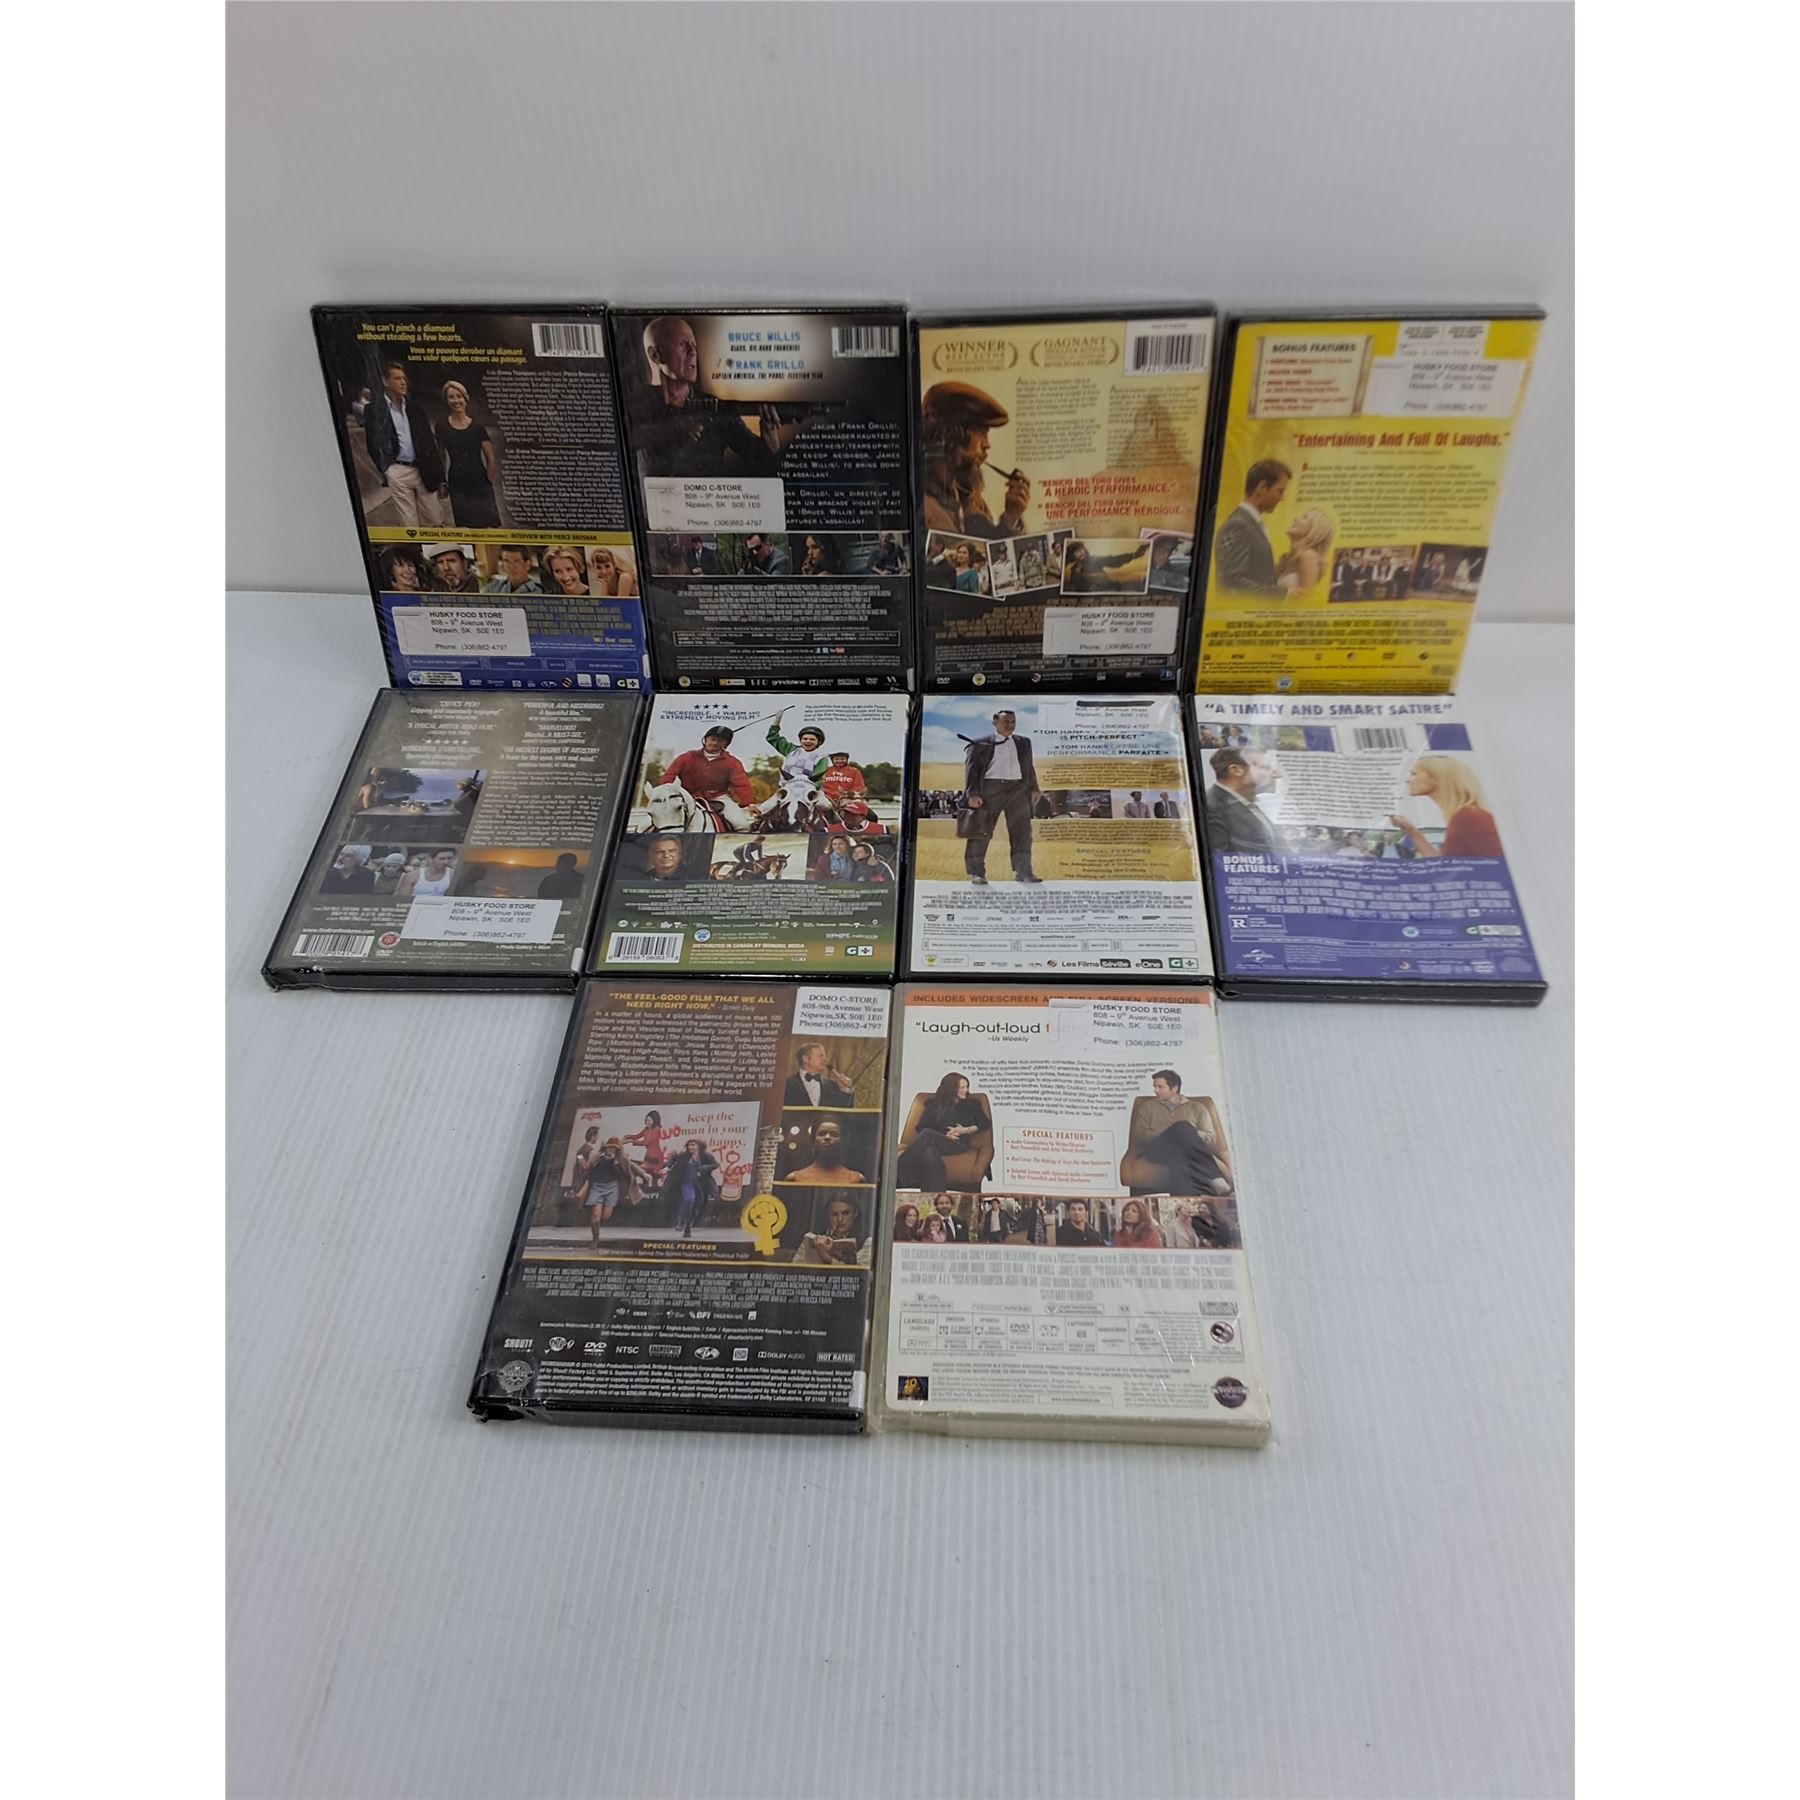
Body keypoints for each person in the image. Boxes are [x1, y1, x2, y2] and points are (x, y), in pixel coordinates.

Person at [634, 315, 781, 478]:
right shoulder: (635, 406)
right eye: (682, 345)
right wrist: (674, 430)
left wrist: (770, 441)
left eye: (694, 346)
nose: (692, 352)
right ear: (655, 355)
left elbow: (760, 459)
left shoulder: (713, 407)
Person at [920, 383, 1029, 537]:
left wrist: (1011, 518)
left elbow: (989, 548)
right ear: (953, 435)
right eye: (981, 433)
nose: (987, 444)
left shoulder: (972, 501)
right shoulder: (923, 506)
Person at [961, 709, 1041, 885]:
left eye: (1013, 722)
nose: (1010, 725)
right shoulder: (979, 743)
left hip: (1018, 789)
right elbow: (972, 770)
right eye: (1006, 721)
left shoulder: (1024, 742)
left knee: (1022, 832)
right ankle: (977, 873)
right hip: (991, 789)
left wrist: (1034, 788)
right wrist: (972, 794)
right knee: (981, 830)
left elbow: (1029, 767)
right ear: (995, 721)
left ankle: (1023, 872)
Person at [363, 361, 446, 526]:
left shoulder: (416, 409)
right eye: (397, 378)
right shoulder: (374, 410)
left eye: (404, 379)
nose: (403, 383)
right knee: (409, 525)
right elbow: (372, 443)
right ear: (386, 382)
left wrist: (440, 478)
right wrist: (387, 470)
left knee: (435, 521)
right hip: (397, 471)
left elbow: (430, 443)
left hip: (423, 469)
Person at [1128, 1071, 1233, 1196]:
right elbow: (1140, 1135)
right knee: (1182, 1127)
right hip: (1157, 1149)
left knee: (1182, 1144)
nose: (1155, 1090)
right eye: (1154, 1086)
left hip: (1186, 1151)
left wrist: (1188, 1135)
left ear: (1174, 1088)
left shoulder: (1197, 1108)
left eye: (1160, 1087)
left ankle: (1185, 1200)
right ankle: (1215, 1179)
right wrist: (1172, 1131)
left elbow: (1211, 1138)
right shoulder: (1147, 1107)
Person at [1390, 754, 1502, 857]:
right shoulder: (1463, 815)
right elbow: (1444, 863)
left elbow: (1494, 863)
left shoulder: (1469, 816)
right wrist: (1412, 832)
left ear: (1436, 778)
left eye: (1414, 774)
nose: (1408, 780)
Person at [1213, 458, 1291, 595]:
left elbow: (1251, 575)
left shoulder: (1250, 523)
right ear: (1262, 488)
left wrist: (1276, 571)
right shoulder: (1238, 525)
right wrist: (1283, 595)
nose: (1282, 498)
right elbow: (1231, 582)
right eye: (1279, 491)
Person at [896, 1074, 986, 1189]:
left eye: (967, 1087)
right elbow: (921, 1127)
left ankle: (898, 1173)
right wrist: (944, 1135)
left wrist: (965, 1130)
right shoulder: (933, 1104)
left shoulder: (971, 1104)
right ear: (952, 1088)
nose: (966, 1090)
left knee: (928, 1135)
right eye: (962, 1087)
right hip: (938, 1141)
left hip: (958, 1144)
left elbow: (984, 1123)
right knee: (929, 1151)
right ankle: (937, 1193)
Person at [660, 725, 756, 827]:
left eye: (719, 741)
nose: (714, 743)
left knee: (742, 824)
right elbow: (668, 777)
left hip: (718, 797)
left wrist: (750, 803)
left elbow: (741, 784)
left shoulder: (733, 762)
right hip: (687, 797)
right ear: (705, 740)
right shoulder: (687, 757)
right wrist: (665, 795)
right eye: (712, 739)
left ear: (725, 744)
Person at [438, 379, 499, 527]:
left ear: (465, 399)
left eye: (459, 396)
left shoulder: (478, 427)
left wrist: (488, 481)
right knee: (466, 526)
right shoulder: (441, 426)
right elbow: (441, 456)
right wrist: (442, 482)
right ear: (447, 401)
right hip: (457, 483)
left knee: (483, 526)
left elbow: (490, 457)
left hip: (479, 482)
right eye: (451, 397)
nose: (456, 401)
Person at [1204, 748, 1280, 855]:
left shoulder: (1246, 802)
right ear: (1236, 770)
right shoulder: (1211, 806)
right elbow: (1219, 859)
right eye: (1266, 768)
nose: (1276, 775)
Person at [783, 1117, 867, 1185]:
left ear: (842, 1141)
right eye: (821, 1133)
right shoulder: (794, 1179)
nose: (827, 1137)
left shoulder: (857, 1179)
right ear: (813, 1140)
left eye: (834, 1134)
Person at [661, 1139, 719, 1238]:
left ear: (699, 1145)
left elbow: (715, 1164)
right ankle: (682, 1222)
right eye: (689, 1145)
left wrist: (703, 1169)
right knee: (689, 1200)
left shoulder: (705, 1155)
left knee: (696, 1206)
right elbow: (673, 1160)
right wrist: (667, 1167)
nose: (691, 1147)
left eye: (693, 1145)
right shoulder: (684, 1155)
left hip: (701, 1184)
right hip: (687, 1182)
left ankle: (688, 1227)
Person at [791, 1197, 869, 1266]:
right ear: (827, 1215)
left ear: (855, 1213)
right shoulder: (812, 1238)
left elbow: (862, 1275)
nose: (840, 1219)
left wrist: (828, 1259)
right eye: (834, 1214)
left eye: (845, 1213)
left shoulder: (866, 1242)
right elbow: (795, 1267)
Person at [584, 1138, 633, 1242]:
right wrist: (587, 1160)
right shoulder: (597, 1157)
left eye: (613, 1148)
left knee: (606, 1216)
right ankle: (595, 1238)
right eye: (609, 1147)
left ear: (616, 1150)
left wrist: (644, 1174)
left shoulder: (619, 1160)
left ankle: (597, 1227)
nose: (611, 1149)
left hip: (612, 1187)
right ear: (605, 1148)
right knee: (595, 1215)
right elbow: (587, 1166)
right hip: (597, 1186)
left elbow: (632, 1167)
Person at [1279, 508, 1335, 595]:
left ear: (1315, 530)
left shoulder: (1308, 555)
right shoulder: (1288, 558)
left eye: (1304, 517)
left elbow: (1305, 597)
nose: (1296, 519)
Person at [785, 1043, 855, 1108]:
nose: (825, 1059)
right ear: (806, 1058)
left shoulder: (832, 1086)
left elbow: (843, 1111)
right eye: (821, 1056)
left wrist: (845, 1089)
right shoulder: (787, 1084)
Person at [623, 1111, 667, 1195]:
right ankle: (644, 1190)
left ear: (655, 1121)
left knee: (639, 1170)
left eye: (649, 1120)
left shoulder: (656, 1129)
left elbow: (645, 1142)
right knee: (643, 1173)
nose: (647, 1122)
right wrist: (629, 1136)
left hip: (655, 1157)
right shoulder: (647, 1128)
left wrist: (632, 1141)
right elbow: (638, 1136)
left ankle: (642, 1190)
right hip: (648, 1156)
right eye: (646, 1120)